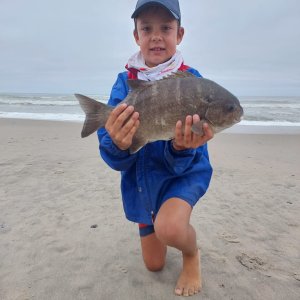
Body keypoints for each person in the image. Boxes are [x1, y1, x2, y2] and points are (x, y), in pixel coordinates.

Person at [98, 0, 214, 296]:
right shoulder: (125, 84)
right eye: (146, 28)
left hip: (181, 175)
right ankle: (156, 218)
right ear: (136, 36)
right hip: (143, 184)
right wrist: (120, 144)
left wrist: (181, 147)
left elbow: (189, 159)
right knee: (153, 264)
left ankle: (190, 253)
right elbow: (115, 157)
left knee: (171, 230)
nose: (156, 36)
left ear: (180, 33)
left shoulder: (194, 81)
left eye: (166, 27)